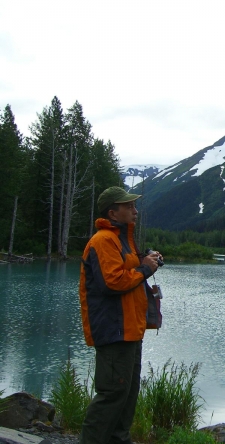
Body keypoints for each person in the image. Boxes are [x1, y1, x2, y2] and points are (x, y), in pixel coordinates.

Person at [78, 186, 162, 444]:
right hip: (114, 331)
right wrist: (146, 269)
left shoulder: (122, 240)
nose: (135, 211)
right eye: (129, 207)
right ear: (113, 212)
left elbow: (128, 271)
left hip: (129, 329)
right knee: (112, 394)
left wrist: (147, 260)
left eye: (134, 206)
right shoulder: (103, 240)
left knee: (126, 395)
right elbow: (112, 282)